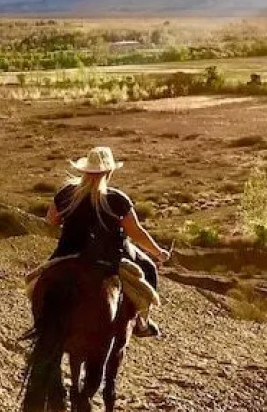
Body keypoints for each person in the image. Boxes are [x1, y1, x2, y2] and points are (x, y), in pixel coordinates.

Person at [30, 145, 170, 338]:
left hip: (67, 252)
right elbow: (136, 232)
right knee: (148, 268)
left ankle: (41, 323)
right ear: (109, 171)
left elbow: (50, 222)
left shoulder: (65, 194)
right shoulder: (117, 199)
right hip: (108, 256)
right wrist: (158, 252)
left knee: (36, 283)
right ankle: (142, 322)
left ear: (84, 170)